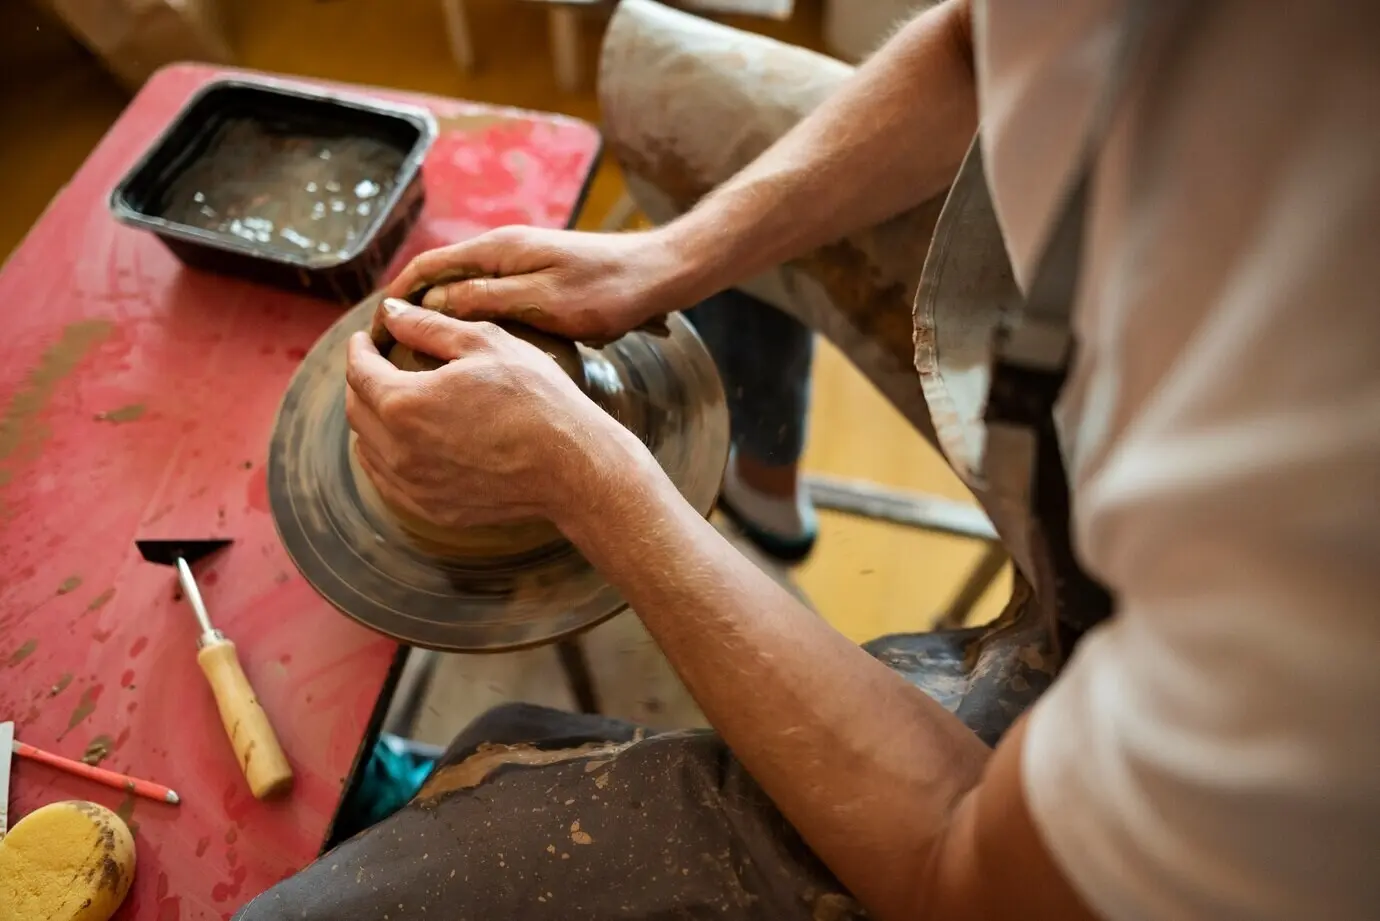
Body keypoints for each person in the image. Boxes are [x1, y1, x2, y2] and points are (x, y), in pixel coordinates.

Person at [236, 1, 1379, 919]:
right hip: (1122, 313)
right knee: (667, 84)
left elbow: (959, 872)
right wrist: (665, 263)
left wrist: (592, 480)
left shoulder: (1320, 522)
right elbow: (976, 40)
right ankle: (765, 485)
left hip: (1084, 801)